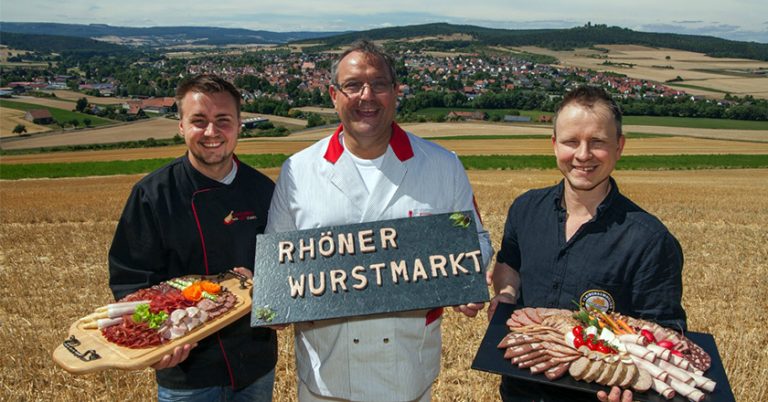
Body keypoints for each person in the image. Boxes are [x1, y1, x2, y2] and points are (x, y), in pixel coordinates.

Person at [265, 39, 493, 402]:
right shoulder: (298, 170)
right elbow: (278, 263)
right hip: (326, 373)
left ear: (396, 92)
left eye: (379, 84)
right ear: (333, 95)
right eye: (353, 85)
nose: (366, 96)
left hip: (407, 368)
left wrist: (465, 279)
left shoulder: (442, 164)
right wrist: (274, 302)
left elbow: (477, 240)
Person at [488, 85, 687, 402]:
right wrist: (507, 292)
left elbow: (664, 335)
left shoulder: (650, 240)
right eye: (571, 142)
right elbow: (509, 263)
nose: (582, 155)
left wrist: (635, 389)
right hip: (519, 389)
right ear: (554, 145)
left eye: (597, 142)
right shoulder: (525, 209)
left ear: (619, 146)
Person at [108, 74, 278, 401]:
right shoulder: (152, 195)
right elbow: (131, 279)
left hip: (255, 363)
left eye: (223, 121)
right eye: (199, 121)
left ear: (240, 125)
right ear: (181, 126)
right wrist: (153, 341)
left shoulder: (263, 191)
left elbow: (281, 265)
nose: (211, 132)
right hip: (186, 370)